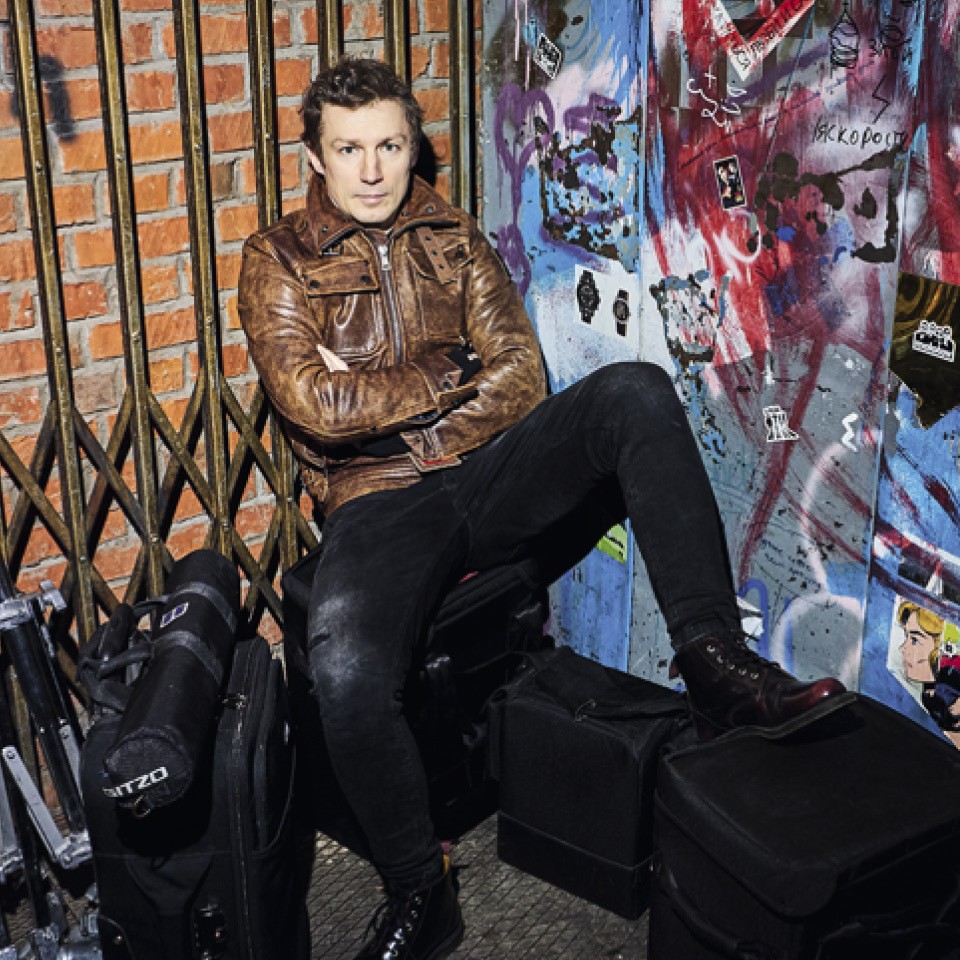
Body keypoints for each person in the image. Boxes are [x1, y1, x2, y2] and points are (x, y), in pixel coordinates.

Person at [238, 57, 848, 960]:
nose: (371, 170)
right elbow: (316, 408)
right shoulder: (278, 260)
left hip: (488, 470)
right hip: (377, 498)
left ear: (413, 147)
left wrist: (410, 405)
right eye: (350, 149)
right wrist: (446, 373)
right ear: (316, 158)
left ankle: (714, 662)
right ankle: (420, 889)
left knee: (634, 390)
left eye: (390, 147)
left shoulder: (452, 237)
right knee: (346, 674)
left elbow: (519, 380)